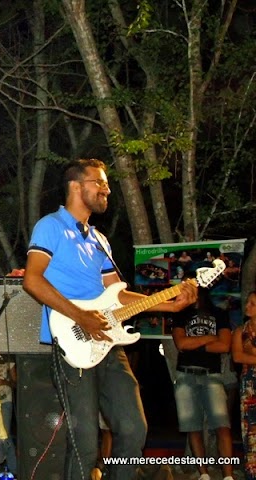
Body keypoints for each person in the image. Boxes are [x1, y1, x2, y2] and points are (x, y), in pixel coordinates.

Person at [22, 158, 197, 480]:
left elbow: (116, 295)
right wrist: (82, 317)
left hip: (110, 346)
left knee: (133, 429)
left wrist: (169, 303)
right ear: (76, 186)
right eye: (99, 183)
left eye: (106, 184)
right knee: (86, 443)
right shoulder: (51, 226)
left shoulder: (99, 240)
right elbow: (32, 280)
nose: (107, 189)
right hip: (73, 345)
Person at [171, 277, 234, 480]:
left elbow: (224, 346)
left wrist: (194, 344)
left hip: (211, 375)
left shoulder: (220, 314)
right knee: (192, 426)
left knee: (222, 425)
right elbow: (181, 344)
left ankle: (228, 475)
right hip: (185, 374)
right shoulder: (181, 314)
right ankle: (203, 474)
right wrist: (209, 339)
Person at [231, 290, 256, 480]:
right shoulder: (240, 331)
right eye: (248, 302)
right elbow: (238, 356)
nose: (247, 306)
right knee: (250, 430)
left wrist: (252, 353)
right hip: (250, 386)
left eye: (252, 304)